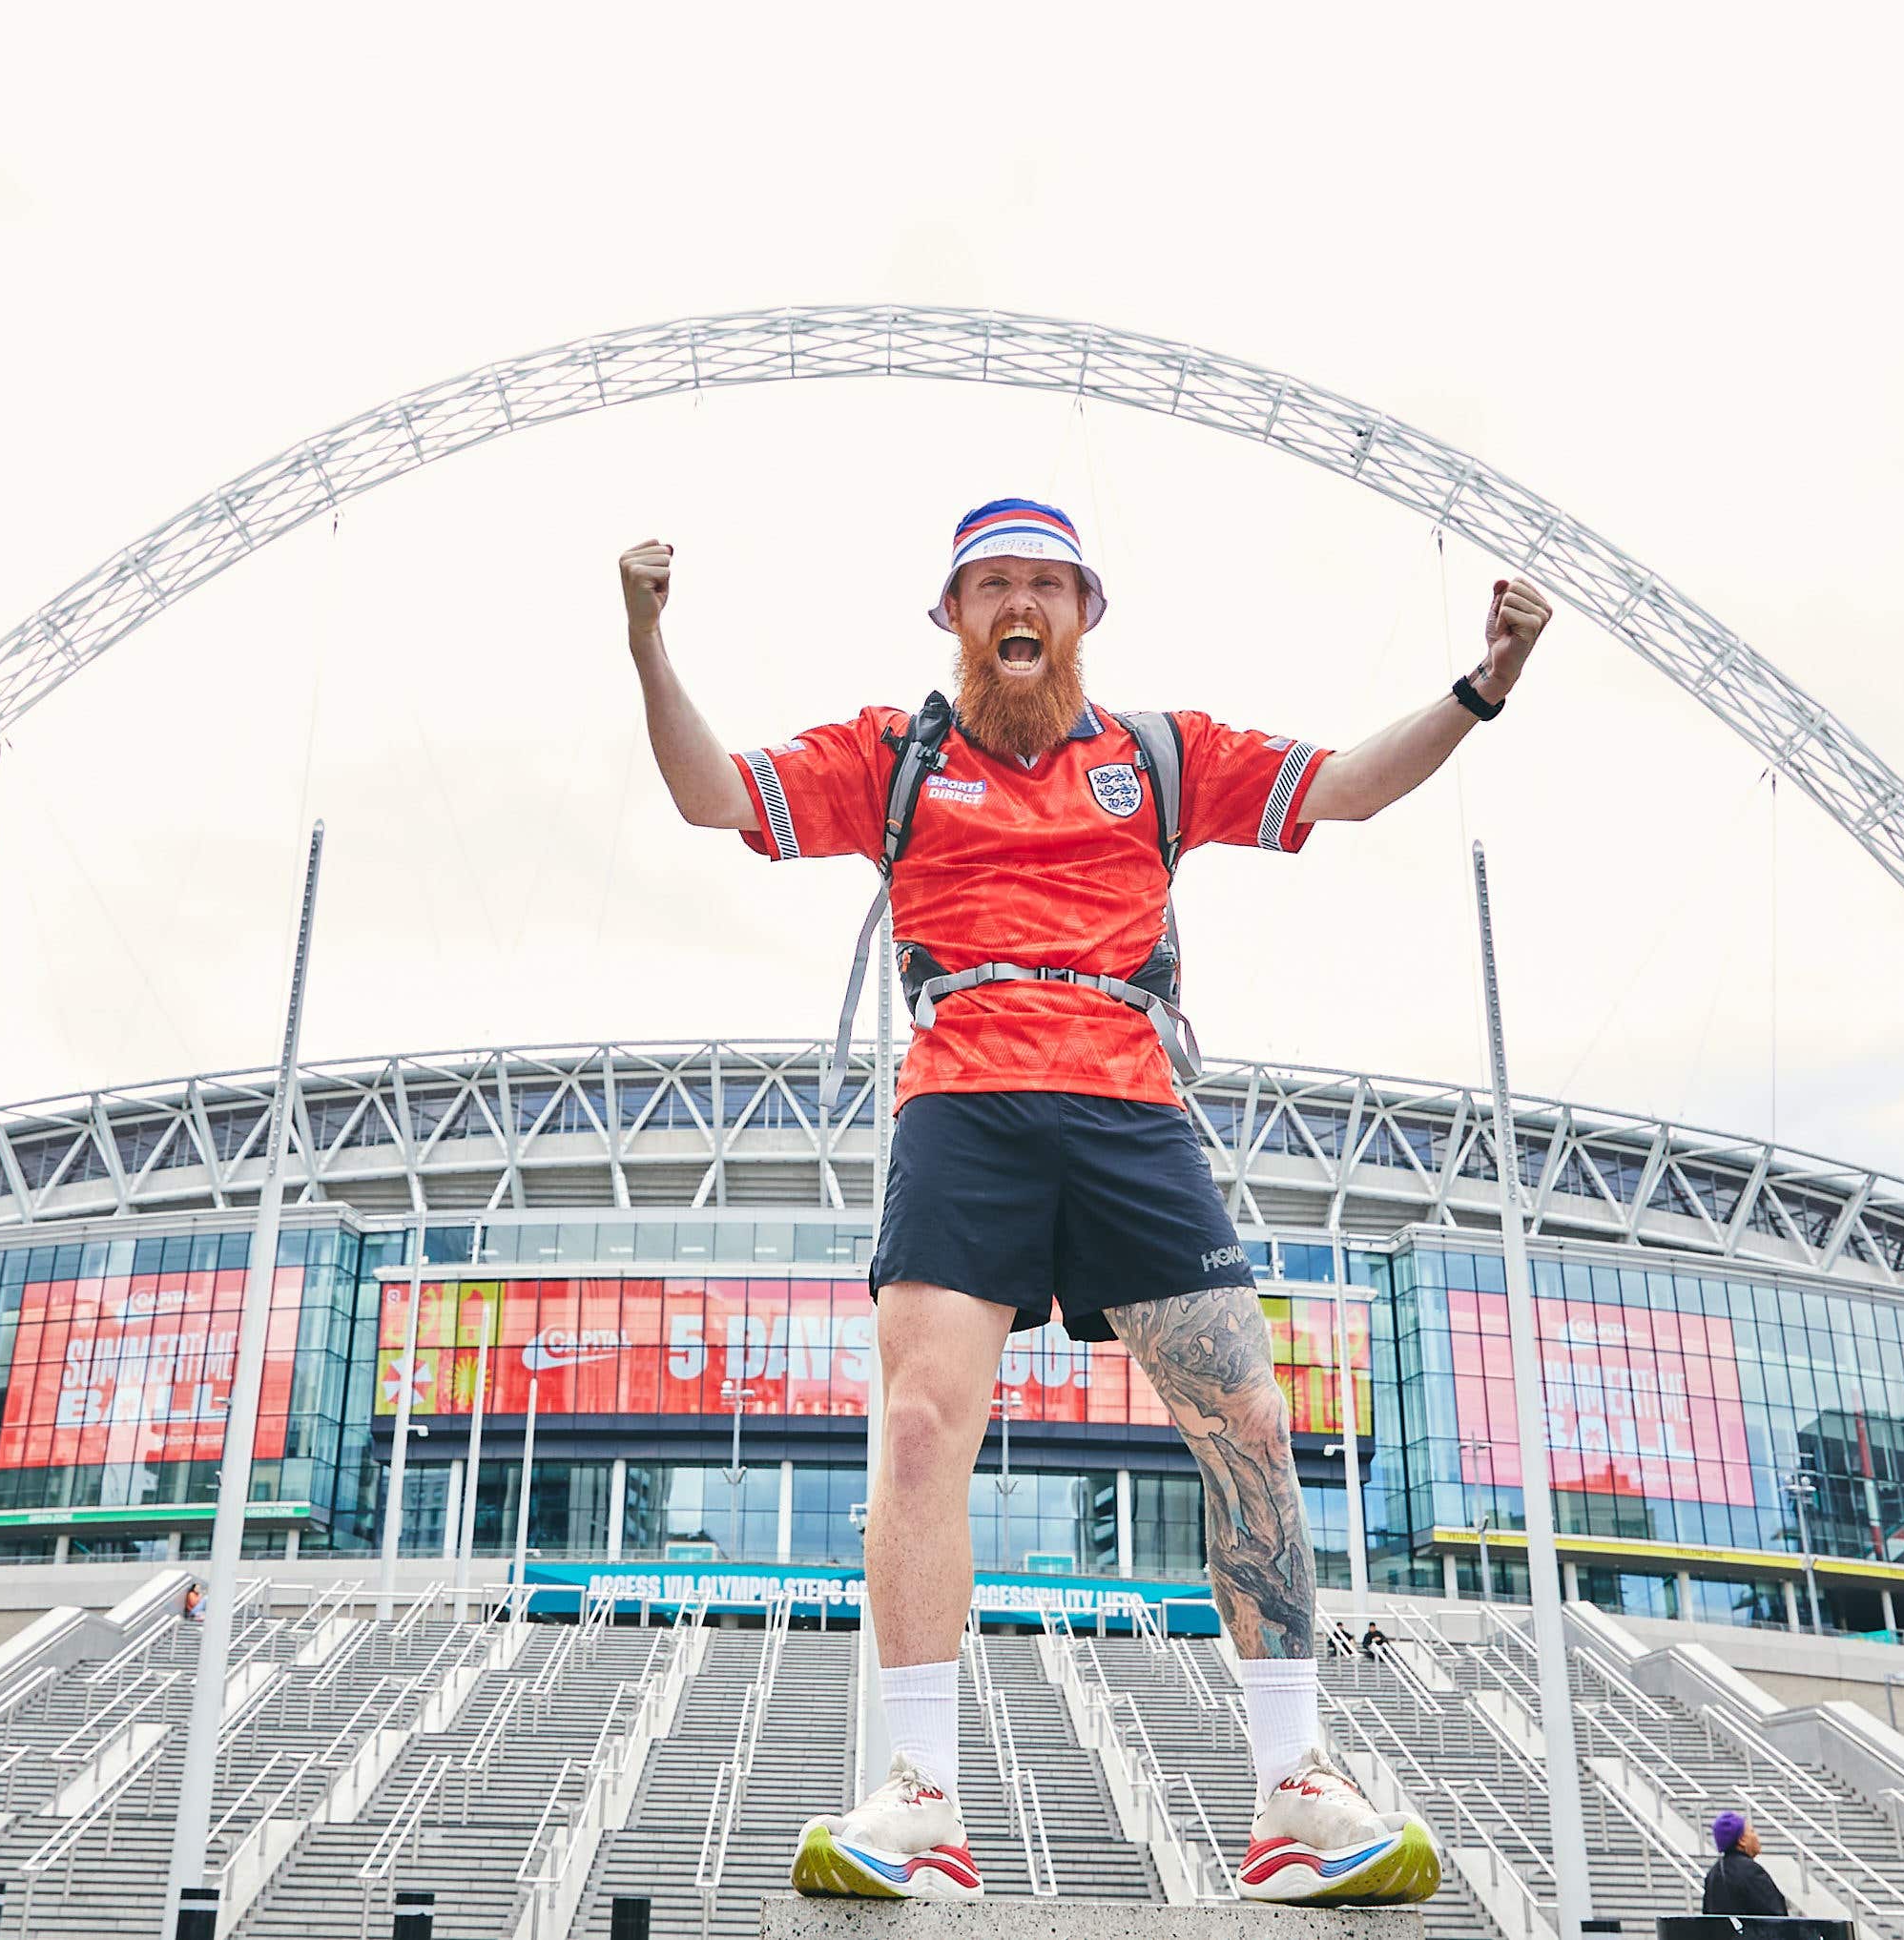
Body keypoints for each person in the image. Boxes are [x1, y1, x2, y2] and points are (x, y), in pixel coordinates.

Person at [618, 500, 1547, 1905]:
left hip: (1127, 1101)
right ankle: (920, 1794)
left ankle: (1294, 1786)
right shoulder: (889, 755)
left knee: (1243, 1410)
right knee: (921, 1420)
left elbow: (1346, 783)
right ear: (949, 615)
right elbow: (709, 794)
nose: (1018, 602)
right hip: (962, 1100)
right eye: (990, 581)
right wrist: (646, 642)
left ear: (1080, 613)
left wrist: (1481, 686)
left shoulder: (1160, 756)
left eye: (1043, 582)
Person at [1702, 1812, 1790, 1917]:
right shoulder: (1751, 1871)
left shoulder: (1713, 1874)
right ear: (1742, 1840)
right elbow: (1776, 1916)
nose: (1756, 1836)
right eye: (1752, 1831)